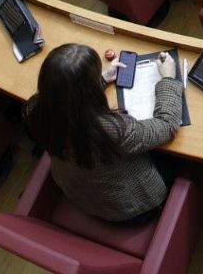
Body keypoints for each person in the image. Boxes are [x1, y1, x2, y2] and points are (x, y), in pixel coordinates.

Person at [25, 44, 183, 224]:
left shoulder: (35, 109)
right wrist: (168, 78)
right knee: (181, 151)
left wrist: (103, 78)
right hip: (130, 209)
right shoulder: (110, 129)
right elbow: (167, 124)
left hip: (78, 193)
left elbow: (66, 96)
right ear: (88, 88)